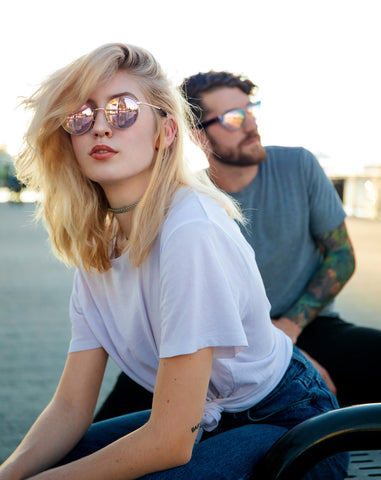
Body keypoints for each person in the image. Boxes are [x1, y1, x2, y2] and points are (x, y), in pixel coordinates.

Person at [0, 45, 348, 480]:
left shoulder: (190, 230)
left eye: (122, 109)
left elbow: (169, 441)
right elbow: (71, 406)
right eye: (81, 116)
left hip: (292, 422)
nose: (101, 127)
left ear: (165, 132)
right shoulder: (100, 247)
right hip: (208, 420)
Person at [95, 70, 381, 423]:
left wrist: (290, 329)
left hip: (308, 325)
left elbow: (341, 255)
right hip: (215, 345)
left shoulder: (299, 166)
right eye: (233, 118)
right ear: (199, 137)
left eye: (250, 110)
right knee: (104, 429)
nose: (250, 125)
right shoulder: (184, 201)